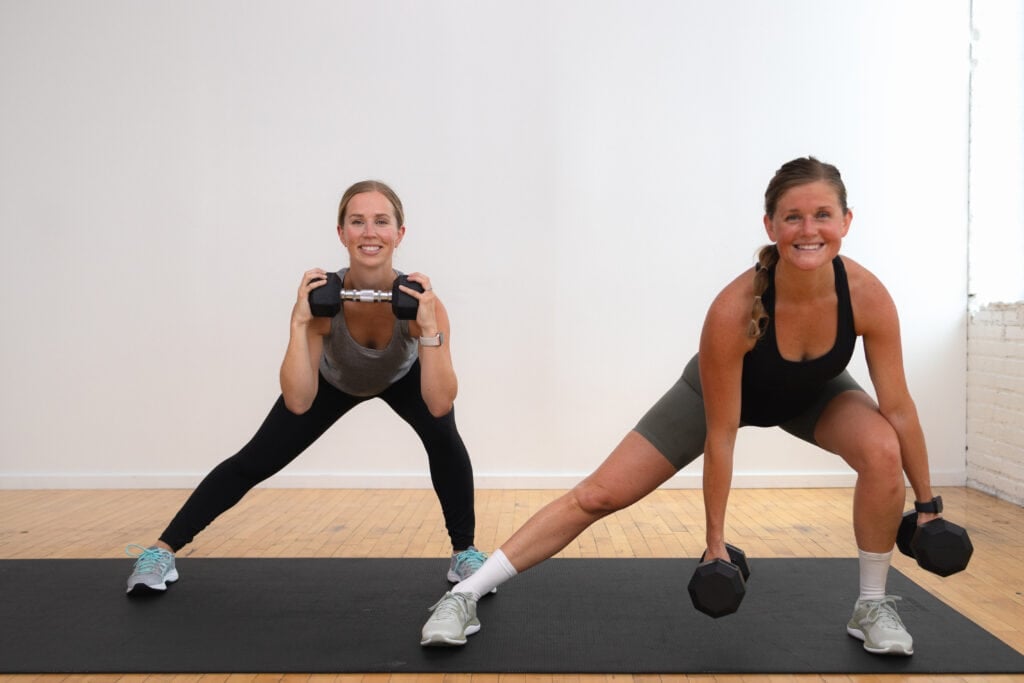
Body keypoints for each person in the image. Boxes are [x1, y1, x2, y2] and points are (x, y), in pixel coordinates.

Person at [420, 157, 941, 656]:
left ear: (846, 221)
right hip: (711, 400)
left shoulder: (868, 295)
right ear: (770, 224)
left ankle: (871, 607)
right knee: (598, 495)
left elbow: (898, 409)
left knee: (881, 447)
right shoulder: (734, 309)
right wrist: (715, 542)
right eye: (793, 217)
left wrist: (927, 506)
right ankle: (465, 594)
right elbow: (722, 435)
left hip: (814, 395)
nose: (809, 229)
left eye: (823, 215)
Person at [125, 180, 488, 594]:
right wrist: (299, 322)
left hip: (402, 376)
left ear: (399, 234)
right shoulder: (321, 300)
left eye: (381, 222)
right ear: (341, 233)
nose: (369, 232)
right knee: (253, 461)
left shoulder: (420, 302)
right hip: (333, 379)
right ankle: (161, 551)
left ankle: (465, 554)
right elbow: (298, 401)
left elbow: (439, 403)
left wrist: (426, 327)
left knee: (445, 438)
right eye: (357, 222)